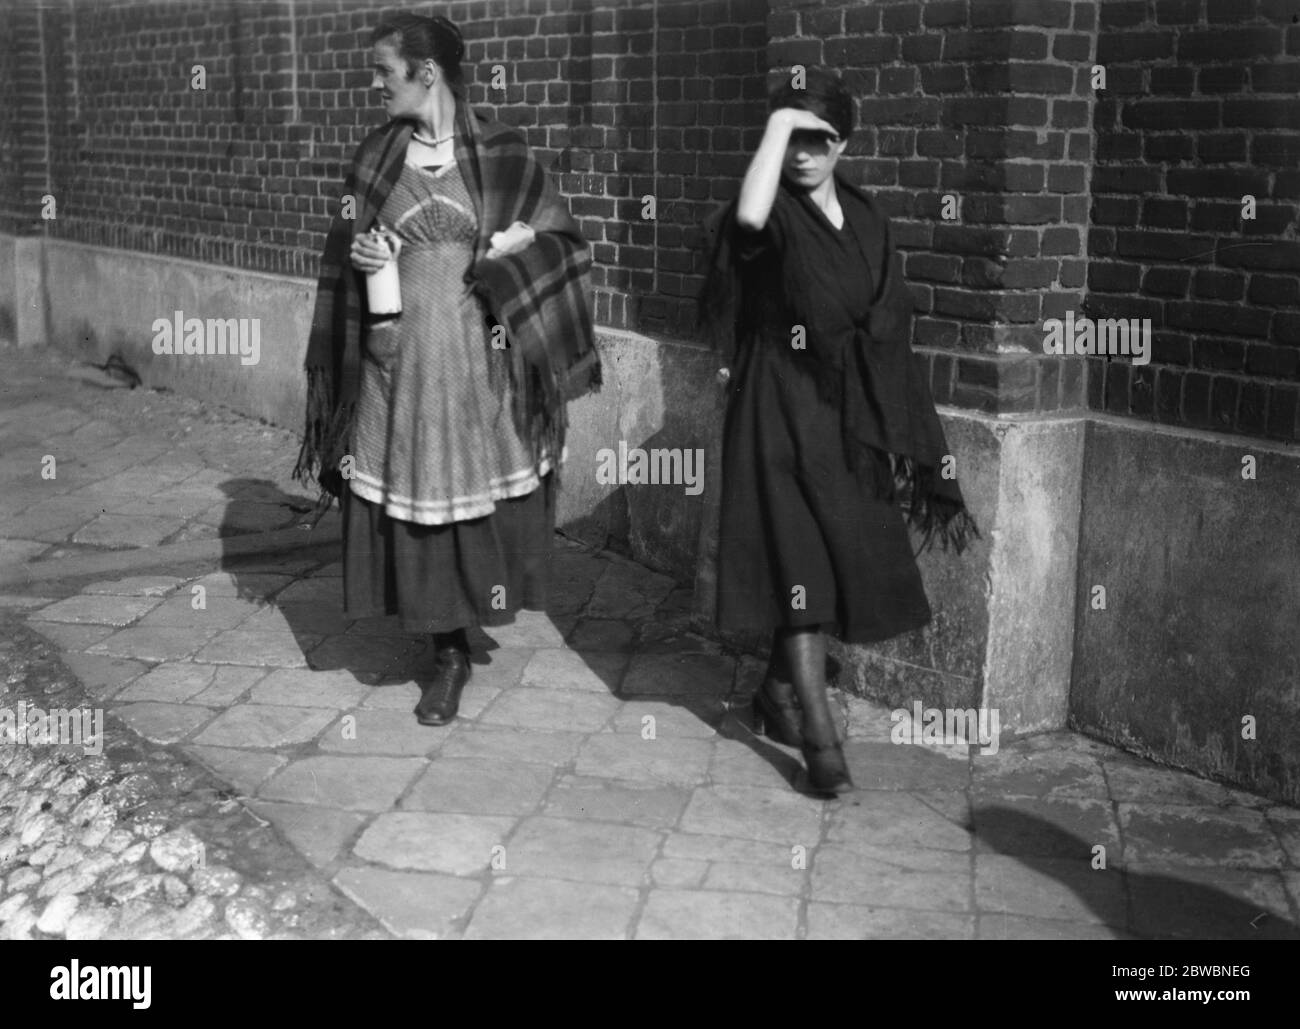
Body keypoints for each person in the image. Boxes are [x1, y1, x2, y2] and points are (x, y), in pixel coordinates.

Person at [293, 13, 600, 727]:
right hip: (397, 356)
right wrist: (368, 264)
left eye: (383, 71)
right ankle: (447, 652)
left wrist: (522, 245)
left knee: (472, 493)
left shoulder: (502, 155)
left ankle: (467, 623)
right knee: (416, 491)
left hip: (480, 357)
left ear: (426, 74)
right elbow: (350, 253)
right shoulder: (375, 161)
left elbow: (567, 242)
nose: (373, 84)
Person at [698, 68, 977, 796]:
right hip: (777, 407)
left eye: (818, 139)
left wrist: (889, 408)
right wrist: (776, 124)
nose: (803, 154)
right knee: (797, 562)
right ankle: (821, 747)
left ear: (843, 143)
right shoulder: (772, 212)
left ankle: (774, 692)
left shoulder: (868, 219)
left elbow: (889, 315)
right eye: (791, 138)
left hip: (847, 414)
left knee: (837, 553)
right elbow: (749, 222)